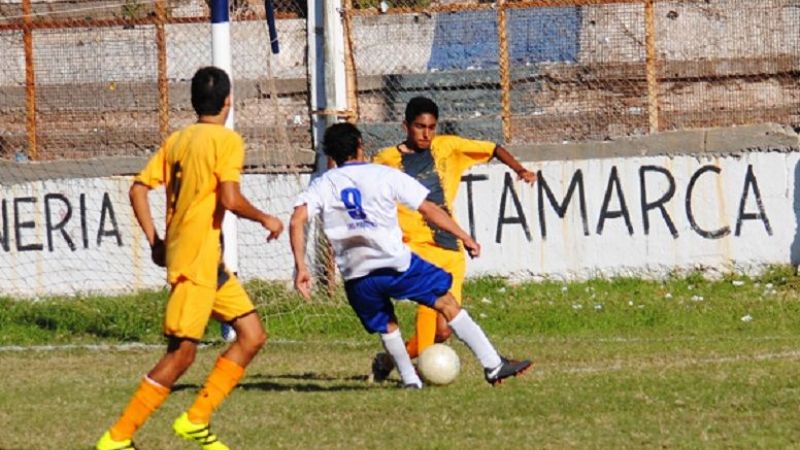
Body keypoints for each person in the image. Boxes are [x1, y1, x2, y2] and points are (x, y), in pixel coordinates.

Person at [96, 66, 284, 450]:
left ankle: (195, 420)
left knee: (252, 335)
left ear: (195, 102)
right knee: (181, 355)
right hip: (195, 264)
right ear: (229, 102)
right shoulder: (226, 141)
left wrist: (154, 242)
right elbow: (230, 199)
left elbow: (138, 190)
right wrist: (265, 216)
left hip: (204, 260)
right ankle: (117, 438)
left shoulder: (178, 140)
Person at [290, 122, 531, 389]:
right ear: (361, 146)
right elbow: (428, 208)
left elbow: (297, 220)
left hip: (358, 276)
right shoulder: (383, 174)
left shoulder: (323, 184)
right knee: (447, 303)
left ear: (329, 157)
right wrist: (464, 236)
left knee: (387, 324)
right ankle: (493, 364)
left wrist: (301, 267)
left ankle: (410, 381)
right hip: (396, 265)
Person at [370, 96, 536, 381]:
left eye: (431, 127)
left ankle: (387, 361)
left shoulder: (448, 148)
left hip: (450, 248)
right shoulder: (385, 160)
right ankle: (416, 378)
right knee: (428, 309)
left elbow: (494, 148)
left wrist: (519, 169)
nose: (426, 133)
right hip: (416, 248)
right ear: (405, 126)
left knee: (445, 329)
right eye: (419, 127)